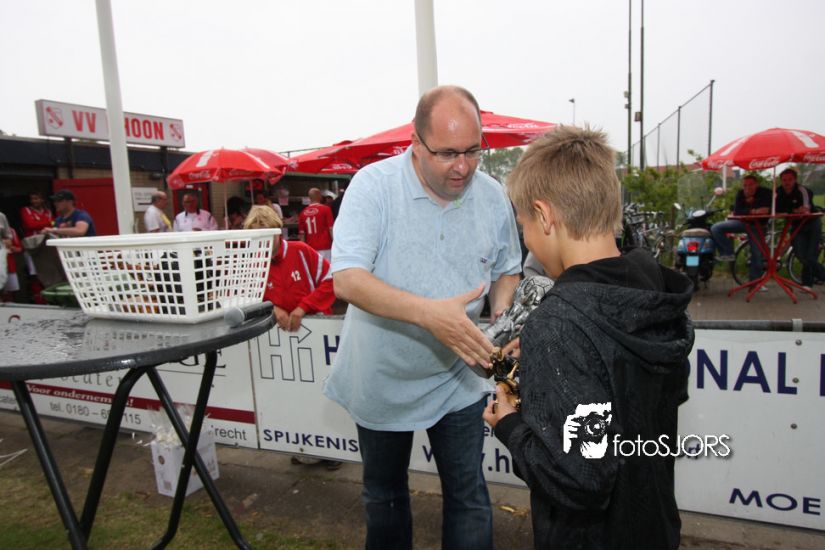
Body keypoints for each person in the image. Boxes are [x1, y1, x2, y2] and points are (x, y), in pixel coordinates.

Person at [324, 85, 522, 550]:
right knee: (385, 498)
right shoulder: (373, 186)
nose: (463, 167)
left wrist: (502, 313)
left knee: (468, 496)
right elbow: (347, 279)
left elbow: (508, 267)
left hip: (458, 377)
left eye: (473, 150)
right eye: (448, 153)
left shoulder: (492, 195)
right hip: (381, 374)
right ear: (416, 144)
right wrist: (430, 315)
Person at [482, 126, 694, 550]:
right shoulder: (652, 287)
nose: (526, 238)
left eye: (523, 225)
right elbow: (631, 388)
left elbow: (581, 479)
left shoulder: (559, 322)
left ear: (544, 216)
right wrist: (550, 367)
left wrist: (510, 425)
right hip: (653, 524)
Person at [242, 205, 341, 470]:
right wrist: (272, 308)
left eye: (267, 234)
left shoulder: (300, 251)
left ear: (279, 232)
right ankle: (302, 444)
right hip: (282, 338)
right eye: (257, 236)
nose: (264, 243)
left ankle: (332, 448)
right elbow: (247, 296)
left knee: (322, 391)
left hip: (315, 332)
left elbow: (332, 279)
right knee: (293, 392)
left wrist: (303, 307)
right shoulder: (253, 262)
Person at [710, 175, 772, 282]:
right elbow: (737, 211)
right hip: (742, 223)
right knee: (716, 228)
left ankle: (755, 282)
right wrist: (753, 211)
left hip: (758, 226)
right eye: (745, 185)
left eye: (750, 185)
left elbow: (767, 210)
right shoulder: (741, 193)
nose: (747, 188)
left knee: (757, 254)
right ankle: (728, 253)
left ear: (756, 184)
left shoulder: (766, 193)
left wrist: (750, 208)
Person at [775, 167, 825, 289]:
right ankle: (820, 276)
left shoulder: (802, 190)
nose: (787, 182)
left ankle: (807, 283)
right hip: (796, 225)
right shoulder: (778, 192)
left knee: (811, 255)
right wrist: (793, 210)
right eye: (784, 180)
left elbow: (805, 209)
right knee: (800, 254)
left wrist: (789, 211)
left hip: (811, 224)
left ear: (795, 180)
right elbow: (775, 210)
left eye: (790, 179)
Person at [298, 187, 335, 260]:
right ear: (319, 196)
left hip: (311, 248)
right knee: (327, 266)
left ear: (309, 198)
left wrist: (303, 250)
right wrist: (335, 243)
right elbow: (331, 229)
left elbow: (302, 235)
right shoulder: (326, 209)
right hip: (325, 246)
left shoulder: (302, 213)